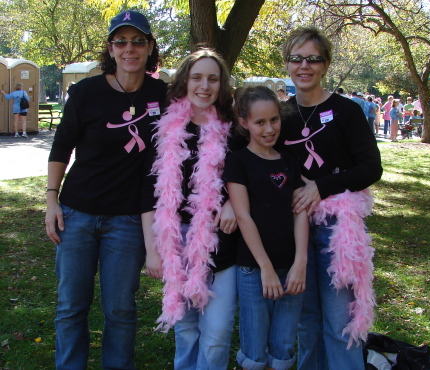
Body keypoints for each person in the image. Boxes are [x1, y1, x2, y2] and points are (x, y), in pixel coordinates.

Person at [45, 10, 166, 369]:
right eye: (121, 41)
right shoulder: (86, 92)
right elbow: (61, 148)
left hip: (128, 220)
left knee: (120, 309)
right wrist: (51, 199)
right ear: (111, 49)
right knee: (71, 306)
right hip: (76, 214)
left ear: (149, 47)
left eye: (138, 41)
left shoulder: (164, 95)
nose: (129, 48)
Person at [279, 26, 383, 370]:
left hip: (337, 230)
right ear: (287, 64)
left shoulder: (347, 111)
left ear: (325, 65)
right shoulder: (281, 114)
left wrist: (320, 187)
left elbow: (371, 168)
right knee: (306, 321)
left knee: (339, 323)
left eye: (313, 59)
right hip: (294, 227)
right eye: (296, 58)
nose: (304, 66)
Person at [142, 48, 238, 370]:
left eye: (213, 78)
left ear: (221, 85)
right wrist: (152, 250)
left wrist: (230, 203)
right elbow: (147, 192)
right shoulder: (165, 128)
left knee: (217, 332)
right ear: (185, 81)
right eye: (197, 77)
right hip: (175, 239)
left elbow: (252, 175)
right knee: (185, 328)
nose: (204, 85)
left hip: (220, 239)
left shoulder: (233, 129)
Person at [224, 86, 308, 370]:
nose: (269, 128)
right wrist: (266, 269)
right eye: (260, 122)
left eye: (274, 119)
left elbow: (300, 213)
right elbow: (243, 217)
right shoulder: (238, 162)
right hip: (254, 270)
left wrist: (300, 263)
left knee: (284, 348)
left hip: (291, 269)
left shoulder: (289, 160)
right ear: (244, 122)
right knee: (255, 350)